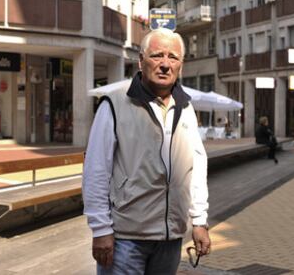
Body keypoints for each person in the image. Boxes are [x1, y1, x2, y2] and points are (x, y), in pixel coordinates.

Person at [82, 28, 211, 274]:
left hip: (170, 237)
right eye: (157, 56)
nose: (165, 64)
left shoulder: (186, 108)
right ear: (141, 61)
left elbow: (196, 168)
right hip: (125, 238)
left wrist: (199, 221)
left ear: (180, 66)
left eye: (172, 57)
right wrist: (100, 229)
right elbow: (96, 170)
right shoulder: (114, 104)